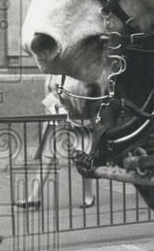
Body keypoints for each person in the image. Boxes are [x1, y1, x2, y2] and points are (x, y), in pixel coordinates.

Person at [14, 75, 97, 210]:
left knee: (83, 160)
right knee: (46, 159)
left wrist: (68, 109)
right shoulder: (52, 74)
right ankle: (34, 197)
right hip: (55, 121)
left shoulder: (76, 72)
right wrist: (55, 109)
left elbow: (83, 98)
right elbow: (47, 96)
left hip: (77, 122)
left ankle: (89, 196)